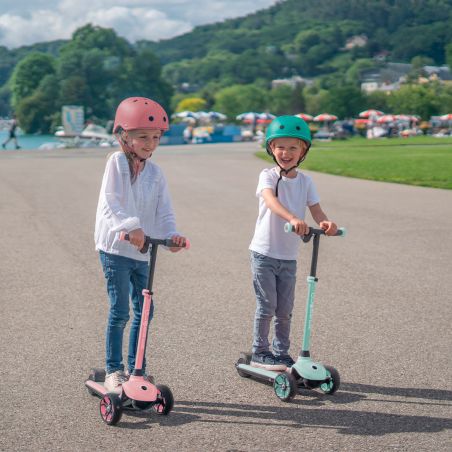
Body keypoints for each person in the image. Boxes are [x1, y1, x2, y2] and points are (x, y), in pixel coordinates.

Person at [95, 97, 186, 393]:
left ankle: (137, 370)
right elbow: (111, 202)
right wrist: (130, 227)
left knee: (145, 309)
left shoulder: (156, 173)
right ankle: (114, 370)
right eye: (143, 137)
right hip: (115, 250)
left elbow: (164, 211)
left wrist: (172, 235)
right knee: (121, 310)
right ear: (124, 135)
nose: (150, 143)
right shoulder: (117, 162)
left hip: (141, 253)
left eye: (156, 138)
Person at [248, 115, 337, 371]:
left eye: (292, 147)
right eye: (280, 147)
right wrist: (294, 218)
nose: (285, 152)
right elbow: (272, 202)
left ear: (303, 151)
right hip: (264, 253)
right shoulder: (267, 176)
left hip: (288, 256)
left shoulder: (306, 181)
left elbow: (317, 210)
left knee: (285, 309)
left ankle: (281, 353)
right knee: (267, 306)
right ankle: (260, 352)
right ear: (271, 149)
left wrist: (326, 223)